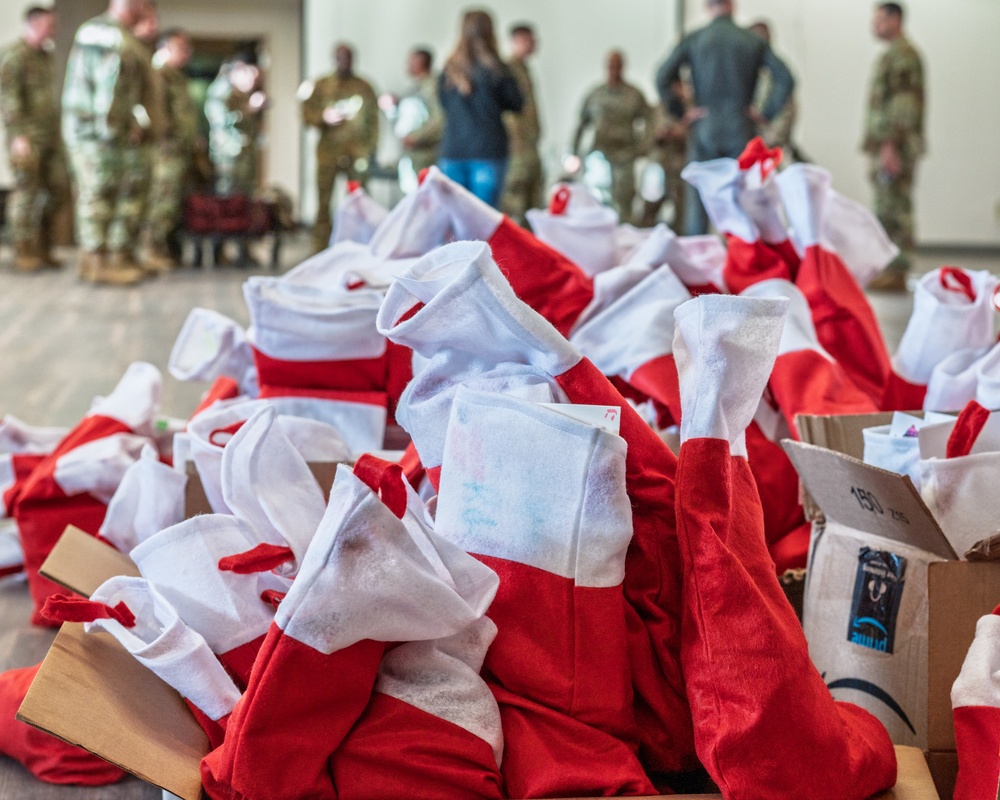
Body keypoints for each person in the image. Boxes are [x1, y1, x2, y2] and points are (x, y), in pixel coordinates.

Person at [656, 0, 794, 235]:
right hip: (740, 125)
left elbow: (662, 77)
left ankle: (699, 263)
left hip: (704, 125)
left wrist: (682, 113)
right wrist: (765, 112)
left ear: (707, 6)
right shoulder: (751, 40)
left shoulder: (695, 38)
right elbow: (786, 78)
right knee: (742, 199)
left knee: (698, 199)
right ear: (732, 5)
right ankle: (743, 262)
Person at [62, 0, 157, 285]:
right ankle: (96, 263)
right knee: (98, 195)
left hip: (102, 132)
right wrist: (114, 129)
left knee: (106, 195)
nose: (143, 8)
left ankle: (105, 260)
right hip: (95, 134)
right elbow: (108, 88)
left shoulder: (116, 34)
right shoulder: (106, 34)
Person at [0, 5, 70, 273]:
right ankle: (24, 249)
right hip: (27, 137)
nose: (53, 31)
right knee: (26, 192)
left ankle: (43, 246)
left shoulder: (46, 56)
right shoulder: (14, 56)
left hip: (50, 135)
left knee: (58, 189)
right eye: (49, 25)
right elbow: (9, 98)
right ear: (34, 23)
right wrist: (19, 135)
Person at [863, 2, 925, 292]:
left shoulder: (903, 56)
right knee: (887, 206)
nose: (874, 26)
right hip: (889, 145)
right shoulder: (893, 55)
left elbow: (903, 106)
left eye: (879, 20)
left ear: (895, 19)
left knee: (895, 208)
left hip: (895, 146)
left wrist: (890, 147)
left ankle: (897, 271)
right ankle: (890, 268)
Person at [437, 9, 523, 208]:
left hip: (453, 150)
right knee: (482, 223)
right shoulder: (498, 70)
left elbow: (443, 105)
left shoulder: (448, 71)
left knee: (452, 224)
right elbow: (517, 103)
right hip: (488, 153)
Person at [301, 43, 379, 252]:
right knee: (323, 201)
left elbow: (374, 122)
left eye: (348, 58)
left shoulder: (364, 87)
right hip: (328, 153)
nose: (344, 62)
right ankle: (321, 248)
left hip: (356, 153)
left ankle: (356, 246)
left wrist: (370, 150)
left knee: (358, 201)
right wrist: (323, 117)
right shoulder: (321, 85)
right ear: (334, 59)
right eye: (340, 57)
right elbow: (306, 114)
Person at [571, 50, 652, 224]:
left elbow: (649, 120)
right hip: (599, 156)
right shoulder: (595, 95)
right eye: (610, 66)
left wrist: (643, 147)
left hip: (624, 155)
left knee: (624, 200)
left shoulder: (634, 95)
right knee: (596, 200)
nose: (613, 70)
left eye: (617, 66)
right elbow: (581, 124)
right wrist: (574, 153)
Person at [145, 27, 197, 270]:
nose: (187, 53)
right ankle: (151, 249)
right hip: (164, 151)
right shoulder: (157, 75)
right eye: (181, 48)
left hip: (179, 151)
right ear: (165, 48)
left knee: (173, 203)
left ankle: (165, 248)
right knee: (161, 202)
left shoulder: (177, 77)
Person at [205, 51, 265, 198]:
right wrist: (249, 109)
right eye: (252, 76)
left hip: (244, 154)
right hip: (227, 154)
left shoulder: (242, 93)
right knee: (227, 200)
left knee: (244, 198)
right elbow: (221, 120)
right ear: (240, 70)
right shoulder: (221, 90)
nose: (253, 83)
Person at [501, 23, 543, 226]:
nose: (535, 43)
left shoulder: (525, 70)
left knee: (533, 205)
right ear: (516, 40)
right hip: (517, 149)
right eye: (529, 38)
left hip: (530, 147)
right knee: (515, 205)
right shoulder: (507, 70)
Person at [384, 47, 443, 194]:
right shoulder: (413, 89)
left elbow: (439, 120)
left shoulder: (434, 87)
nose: (407, 65)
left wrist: (416, 138)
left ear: (421, 62)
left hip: (426, 157)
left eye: (411, 61)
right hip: (410, 157)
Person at [749, 21, 799, 160]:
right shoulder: (746, 70)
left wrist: (771, 141)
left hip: (768, 143)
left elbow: (787, 111)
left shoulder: (777, 74)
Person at [639, 102, 687, 230]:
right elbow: (645, 140)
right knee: (649, 210)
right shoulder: (656, 111)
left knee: (681, 215)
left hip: (680, 171)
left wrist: (681, 133)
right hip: (657, 169)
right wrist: (657, 135)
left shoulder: (690, 108)